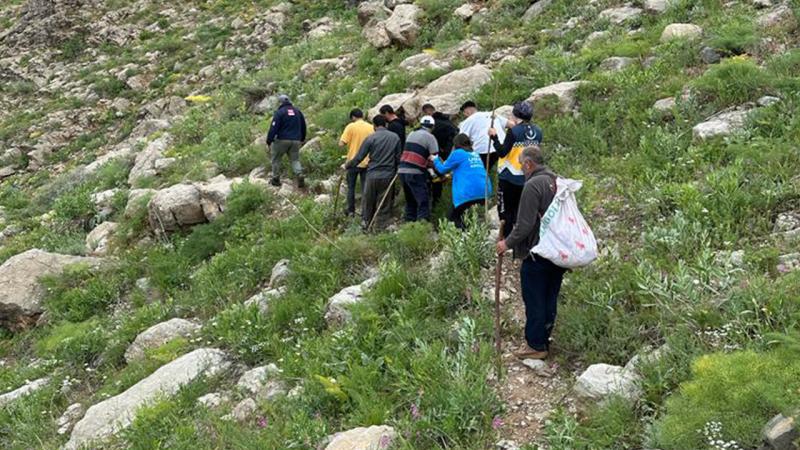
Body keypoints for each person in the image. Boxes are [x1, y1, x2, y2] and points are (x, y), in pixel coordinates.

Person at [496, 145, 562, 360]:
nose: (521, 169)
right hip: (557, 250)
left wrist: (507, 243)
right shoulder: (555, 180)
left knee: (534, 298)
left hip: (537, 251)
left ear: (528, 163)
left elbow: (524, 224)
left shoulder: (533, 185)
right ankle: (544, 338)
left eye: (521, 164)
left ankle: (536, 345)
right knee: (549, 296)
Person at [489, 101, 543, 238]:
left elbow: (502, 152)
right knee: (521, 210)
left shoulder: (514, 131)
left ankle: (506, 240)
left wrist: (494, 137)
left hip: (509, 176)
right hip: (528, 176)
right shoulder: (538, 131)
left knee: (506, 212)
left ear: (515, 115)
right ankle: (521, 240)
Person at [343, 115, 402, 231]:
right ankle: (380, 226)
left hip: (372, 174)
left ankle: (366, 224)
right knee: (384, 201)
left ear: (374, 126)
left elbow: (359, 157)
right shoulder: (395, 138)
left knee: (368, 200)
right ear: (386, 124)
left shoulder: (371, 138)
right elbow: (398, 158)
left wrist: (347, 165)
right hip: (388, 175)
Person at [429, 134, 491, 229]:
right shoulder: (475, 154)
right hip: (485, 190)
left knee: (453, 217)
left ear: (456, 144)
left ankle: (465, 237)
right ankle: (472, 233)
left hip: (468, 192)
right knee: (467, 215)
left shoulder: (458, 153)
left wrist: (435, 159)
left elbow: (442, 169)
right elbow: (468, 170)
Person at [398, 115, 439, 222]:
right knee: (423, 200)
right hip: (415, 172)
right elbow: (434, 158)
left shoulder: (411, 134)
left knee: (410, 200)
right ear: (432, 127)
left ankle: (409, 223)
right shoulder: (430, 137)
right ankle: (422, 224)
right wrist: (439, 171)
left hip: (402, 170)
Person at [422, 103, 459, 208]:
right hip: (452, 152)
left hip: (440, 154)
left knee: (435, 180)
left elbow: (432, 143)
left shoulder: (435, 125)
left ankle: (434, 204)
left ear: (428, 112)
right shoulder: (448, 121)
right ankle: (437, 202)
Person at [339, 109, 374, 216]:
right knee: (365, 188)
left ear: (353, 117)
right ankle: (365, 212)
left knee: (351, 187)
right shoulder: (371, 127)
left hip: (352, 162)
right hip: (367, 162)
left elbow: (341, 143)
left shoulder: (351, 126)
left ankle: (351, 211)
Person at [267, 94, 308, 188]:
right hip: (296, 141)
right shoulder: (298, 111)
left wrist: (269, 140)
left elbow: (274, 128)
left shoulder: (280, 112)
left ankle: (276, 179)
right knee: (295, 160)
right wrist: (302, 139)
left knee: (276, 159)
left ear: (280, 103)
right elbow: (303, 126)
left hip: (282, 140)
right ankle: (299, 174)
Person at [458, 100, 507, 169]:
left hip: (483, 151)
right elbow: (512, 124)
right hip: (502, 147)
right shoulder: (492, 114)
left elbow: (460, 140)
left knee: (480, 169)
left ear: (466, 111)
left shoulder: (467, 121)